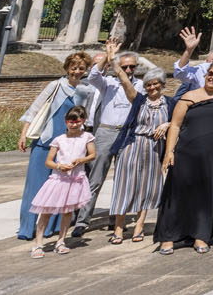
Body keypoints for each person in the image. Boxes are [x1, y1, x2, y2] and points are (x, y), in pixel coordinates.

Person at [153, 58, 213, 254]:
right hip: (187, 153)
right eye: (212, 73)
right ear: (206, 74)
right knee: (178, 193)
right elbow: (175, 125)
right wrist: (169, 152)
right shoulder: (189, 96)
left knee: (207, 195)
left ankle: (201, 235)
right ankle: (169, 237)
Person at [15, 53, 100, 241]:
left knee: (61, 188)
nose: (77, 72)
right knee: (35, 187)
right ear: (67, 68)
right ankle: (27, 228)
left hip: (69, 146)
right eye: (74, 68)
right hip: (46, 141)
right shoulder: (55, 86)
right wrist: (24, 134)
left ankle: (49, 229)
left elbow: (87, 117)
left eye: (81, 69)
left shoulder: (87, 90)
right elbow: (34, 109)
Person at [71, 39, 145, 238]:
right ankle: (82, 220)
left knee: (123, 179)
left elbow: (137, 99)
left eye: (132, 66)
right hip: (106, 131)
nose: (128, 69)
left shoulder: (140, 85)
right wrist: (108, 57)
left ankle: (117, 219)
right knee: (95, 178)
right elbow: (94, 75)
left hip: (127, 132)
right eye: (124, 66)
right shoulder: (109, 83)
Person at [103, 61, 170, 244]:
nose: (152, 87)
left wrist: (167, 124)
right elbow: (125, 81)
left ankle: (139, 226)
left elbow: (182, 121)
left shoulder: (170, 103)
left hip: (154, 148)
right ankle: (118, 228)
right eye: (148, 84)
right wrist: (112, 59)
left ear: (163, 84)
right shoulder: (139, 100)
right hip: (133, 145)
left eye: (156, 83)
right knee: (124, 186)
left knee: (147, 188)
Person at [27, 105, 95, 259]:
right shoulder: (59, 140)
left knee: (67, 211)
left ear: (83, 121)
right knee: (46, 211)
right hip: (59, 179)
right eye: (71, 121)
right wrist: (59, 166)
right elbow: (48, 162)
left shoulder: (87, 137)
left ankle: (61, 241)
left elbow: (92, 155)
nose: (74, 124)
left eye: (77, 121)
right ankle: (38, 243)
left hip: (75, 179)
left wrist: (81, 160)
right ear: (66, 122)